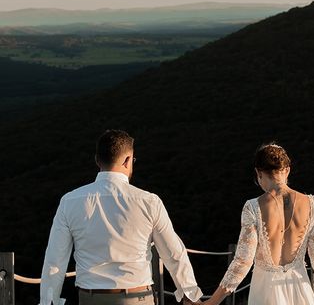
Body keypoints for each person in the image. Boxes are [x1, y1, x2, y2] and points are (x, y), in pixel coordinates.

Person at [39, 129, 203, 305]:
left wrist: (49, 302)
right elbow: (173, 253)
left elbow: (54, 260)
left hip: (90, 299)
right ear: (127, 160)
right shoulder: (149, 201)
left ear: (97, 160)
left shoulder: (69, 201)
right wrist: (190, 295)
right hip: (137, 298)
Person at [203, 143, 314, 305]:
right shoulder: (312, 204)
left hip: (265, 291)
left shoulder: (252, 207)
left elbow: (242, 261)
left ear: (258, 173)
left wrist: (212, 302)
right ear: (287, 170)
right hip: (300, 290)